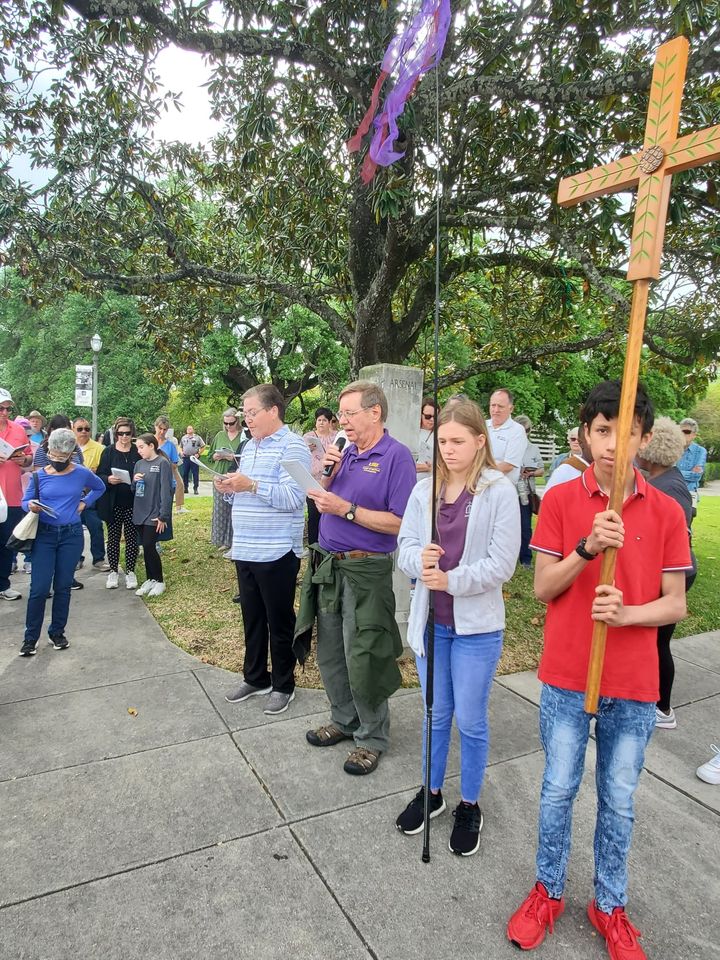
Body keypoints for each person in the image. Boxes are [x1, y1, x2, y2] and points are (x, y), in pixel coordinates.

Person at [507, 381, 692, 960]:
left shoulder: (664, 509)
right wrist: (586, 549)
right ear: (586, 433)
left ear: (644, 437)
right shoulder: (561, 501)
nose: (613, 443)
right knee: (558, 788)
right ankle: (549, 890)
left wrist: (629, 613)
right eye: (602, 430)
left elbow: (676, 603)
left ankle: (609, 903)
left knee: (618, 796)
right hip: (567, 676)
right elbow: (542, 587)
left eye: (626, 431)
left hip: (634, 685)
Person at [395, 398, 520, 854]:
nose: (448, 449)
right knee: (434, 714)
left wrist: (452, 579)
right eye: (442, 441)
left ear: (479, 441)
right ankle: (431, 793)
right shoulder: (422, 490)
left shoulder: (498, 491)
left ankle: (470, 802)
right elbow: (404, 544)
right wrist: (418, 560)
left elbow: (501, 565)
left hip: (476, 629)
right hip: (432, 623)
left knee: (469, 719)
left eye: (457, 441)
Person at [299, 380, 416, 776]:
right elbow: (325, 495)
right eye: (340, 414)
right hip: (330, 565)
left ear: (375, 412)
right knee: (331, 649)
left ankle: (372, 736)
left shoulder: (396, 457)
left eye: (349, 413)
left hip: (366, 570)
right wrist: (326, 476)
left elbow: (400, 522)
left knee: (363, 653)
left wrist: (346, 509)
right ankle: (344, 719)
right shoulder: (346, 452)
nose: (341, 421)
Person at [215, 384, 310, 716]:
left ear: (273, 411)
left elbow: (294, 498)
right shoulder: (249, 446)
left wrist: (251, 484)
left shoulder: (294, 446)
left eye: (252, 413)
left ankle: (284, 684)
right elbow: (246, 494)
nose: (247, 419)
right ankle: (256, 677)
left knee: (278, 621)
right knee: (251, 618)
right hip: (245, 548)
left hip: (276, 551)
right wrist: (229, 488)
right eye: (244, 414)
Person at [19, 429, 105, 656]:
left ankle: (57, 632)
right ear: (48, 451)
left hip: (71, 535)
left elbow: (100, 487)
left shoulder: (81, 473)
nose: (57, 460)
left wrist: (84, 503)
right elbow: (25, 500)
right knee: (38, 588)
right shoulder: (39, 476)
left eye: (62, 457)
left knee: (63, 587)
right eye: (54, 455)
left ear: (71, 454)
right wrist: (31, 505)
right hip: (44, 535)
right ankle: (30, 637)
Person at [636, 417, 696, 730]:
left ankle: (663, 707)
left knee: (658, 643)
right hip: (661, 573)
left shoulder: (669, 488)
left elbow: (676, 538)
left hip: (672, 575)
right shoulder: (661, 479)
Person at [96, 417, 141, 590]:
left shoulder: (137, 451)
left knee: (131, 537)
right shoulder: (108, 451)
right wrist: (108, 479)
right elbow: (100, 474)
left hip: (132, 501)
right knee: (113, 537)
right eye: (120, 433)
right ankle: (113, 570)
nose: (124, 437)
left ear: (132, 434)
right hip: (113, 501)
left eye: (127, 433)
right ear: (116, 434)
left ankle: (130, 570)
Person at [0, 388, 33, 600]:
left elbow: (29, 458)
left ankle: (3, 584)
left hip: (11, 495)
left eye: (7, 409)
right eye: (0, 408)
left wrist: (23, 460)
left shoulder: (18, 430)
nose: (4, 412)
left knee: (6, 543)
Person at [133, 433, 174, 598]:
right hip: (139, 511)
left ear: (152, 446)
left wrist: (163, 515)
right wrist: (134, 481)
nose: (139, 451)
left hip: (154, 513)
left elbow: (166, 491)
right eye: (137, 448)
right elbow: (133, 490)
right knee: (145, 546)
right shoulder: (138, 464)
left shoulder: (162, 463)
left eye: (141, 447)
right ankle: (150, 578)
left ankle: (159, 580)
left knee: (150, 545)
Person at [73, 416, 110, 571]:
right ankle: (75, 558)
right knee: (73, 529)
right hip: (72, 495)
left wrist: (93, 472)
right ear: (73, 430)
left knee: (95, 526)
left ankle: (98, 559)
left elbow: (103, 472)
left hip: (90, 494)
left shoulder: (100, 448)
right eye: (80, 429)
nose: (84, 432)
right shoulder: (69, 446)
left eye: (87, 429)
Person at [208, 408, 247, 551]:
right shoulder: (219, 435)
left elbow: (244, 456)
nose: (228, 426)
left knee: (234, 509)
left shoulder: (243, 436)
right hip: (219, 474)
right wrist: (216, 456)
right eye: (226, 423)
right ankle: (220, 539)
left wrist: (233, 457)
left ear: (237, 421)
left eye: (231, 423)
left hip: (234, 474)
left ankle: (232, 540)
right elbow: (210, 455)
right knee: (219, 508)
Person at [303, 406, 338, 546]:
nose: (321, 423)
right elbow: (300, 455)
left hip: (332, 482)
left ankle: (329, 545)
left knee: (330, 516)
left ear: (330, 422)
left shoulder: (337, 436)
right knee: (314, 516)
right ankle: (313, 546)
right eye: (319, 420)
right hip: (313, 482)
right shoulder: (308, 437)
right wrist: (307, 449)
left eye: (324, 420)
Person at [514, 415, 544, 568]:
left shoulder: (533, 448)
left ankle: (526, 558)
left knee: (525, 527)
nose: (523, 433)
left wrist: (531, 473)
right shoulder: (510, 445)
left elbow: (541, 469)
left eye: (526, 430)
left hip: (525, 492)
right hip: (510, 491)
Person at [485, 388, 527, 485]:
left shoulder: (517, 431)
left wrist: (480, 476)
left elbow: (508, 466)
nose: (496, 410)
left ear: (511, 408)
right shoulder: (482, 426)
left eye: (500, 406)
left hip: (502, 490)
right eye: (493, 405)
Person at [544, 425, 590, 492]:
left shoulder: (590, 460)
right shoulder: (560, 459)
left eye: (579, 439)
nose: (576, 442)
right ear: (568, 440)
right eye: (573, 439)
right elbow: (548, 477)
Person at [676, 417, 707, 512]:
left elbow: (696, 476)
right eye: (680, 431)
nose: (683, 434)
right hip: (670, 492)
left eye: (687, 432)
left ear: (694, 435)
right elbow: (663, 471)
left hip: (689, 494)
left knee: (686, 526)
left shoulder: (700, 451)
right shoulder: (672, 448)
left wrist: (673, 473)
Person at [154, 415, 183, 513]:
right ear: (155, 427)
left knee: (165, 513)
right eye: (160, 428)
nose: (162, 432)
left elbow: (175, 465)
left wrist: (164, 463)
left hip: (167, 482)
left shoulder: (170, 445)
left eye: (165, 429)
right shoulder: (149, 442)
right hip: (152, 482)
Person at [179, 425, 205, 495]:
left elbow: (203, 447)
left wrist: (198, 454)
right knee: (185, 473)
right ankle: (185, 488)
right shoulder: (184, 437)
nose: (189, 430)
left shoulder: (197, 437)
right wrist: (181, 452)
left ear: (193, 430)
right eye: (187, 429)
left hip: (194, 458)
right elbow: (180, 447)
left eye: (190, 429)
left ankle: (195, 488)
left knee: (195, 473)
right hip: (186, 458)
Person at [416, 397, 438, 476]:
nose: (432, 420)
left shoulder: (440, 436)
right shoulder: (411, 433)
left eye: (435, 417)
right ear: (420, 414)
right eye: (428, 416)